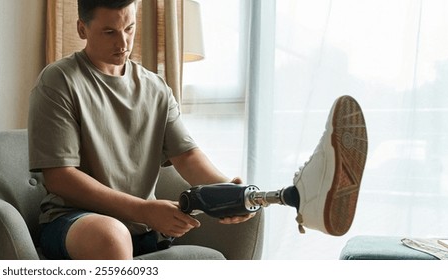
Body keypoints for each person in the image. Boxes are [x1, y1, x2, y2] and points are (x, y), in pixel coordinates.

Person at [28, 0, 367, 260]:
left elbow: (187, 156)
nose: (124, 42)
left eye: (129, 28)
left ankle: (301, 192)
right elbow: (60, 178)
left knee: (237, 197)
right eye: (109, 32)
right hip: (74, 221)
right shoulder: (59, 81)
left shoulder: (155, 88)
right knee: (111, 235)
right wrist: (144, 209)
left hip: (142, 227)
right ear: (82, 29)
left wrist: (230, 192)